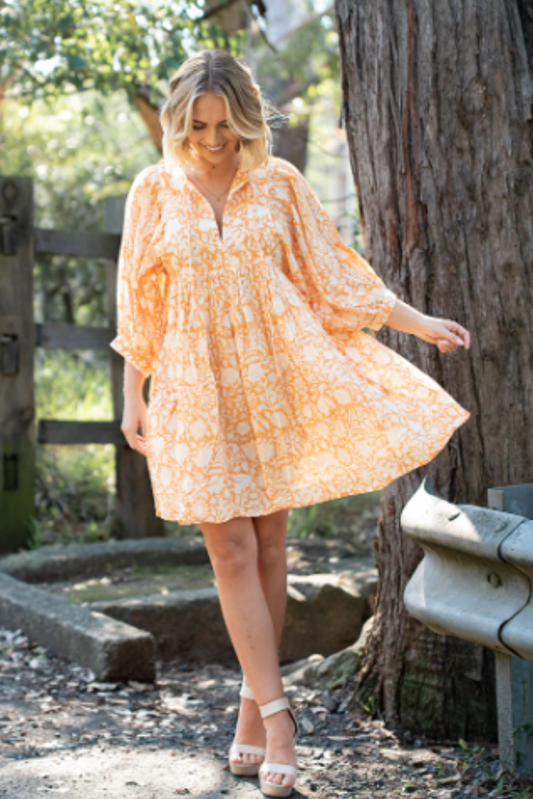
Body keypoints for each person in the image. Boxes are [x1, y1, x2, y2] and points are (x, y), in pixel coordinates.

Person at [110, 48, 471, 798]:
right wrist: (131, 392)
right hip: (194, 389)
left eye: (225, 125)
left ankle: (249, 706)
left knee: (270, 543)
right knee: (231, 549)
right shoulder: (153, 190)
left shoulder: (278, 184)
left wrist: (418, 321)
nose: (213, 141)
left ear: (245, 117)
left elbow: (336, 276)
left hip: (272, 379)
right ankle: (280, 719)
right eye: (198, 126)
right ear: (180, 120)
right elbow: (138, 304)